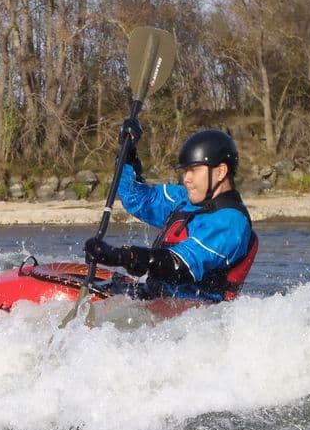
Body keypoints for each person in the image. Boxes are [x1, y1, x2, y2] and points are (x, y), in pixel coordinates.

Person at [84, 119, 258, 302]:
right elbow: (138, 200)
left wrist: (121, 256)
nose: (186, 179)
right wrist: (128, 154)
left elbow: (179, 267)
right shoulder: (184, 199)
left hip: (193, 316)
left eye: (194, 170)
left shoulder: (231, 221)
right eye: (185, 172)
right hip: (158, 297)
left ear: (220, 172)